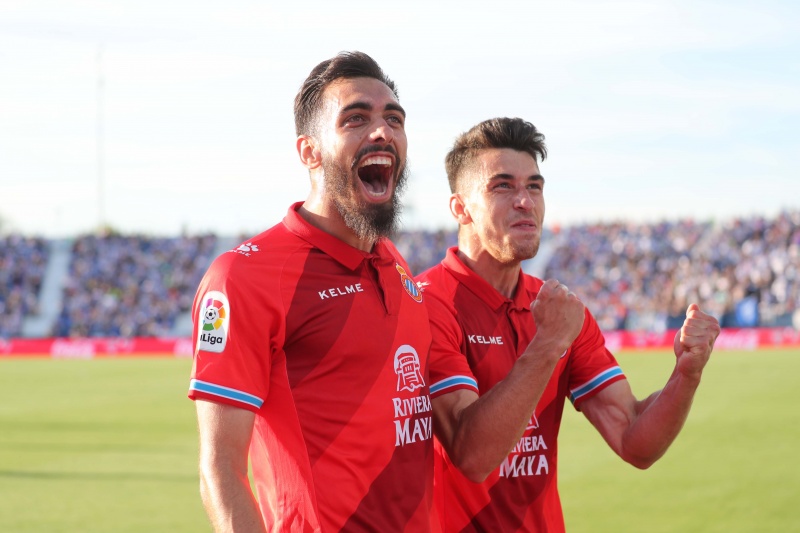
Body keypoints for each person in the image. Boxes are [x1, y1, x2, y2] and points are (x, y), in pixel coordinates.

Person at [187, 54, 582, 533]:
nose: (382, 131)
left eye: (394, 119)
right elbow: (221, 472)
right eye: (356, 118)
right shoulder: (246, 276)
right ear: (309, 151)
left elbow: (468, 446)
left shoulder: (395, 267)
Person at [420, 117, 721, 532]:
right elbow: (472, 456)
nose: (525, 201)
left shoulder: (559, 309)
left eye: (534, 186)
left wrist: (686, 375)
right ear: (460, 208)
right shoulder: (426, 303)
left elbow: (634, 440)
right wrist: (548, 344)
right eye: (503, 186)